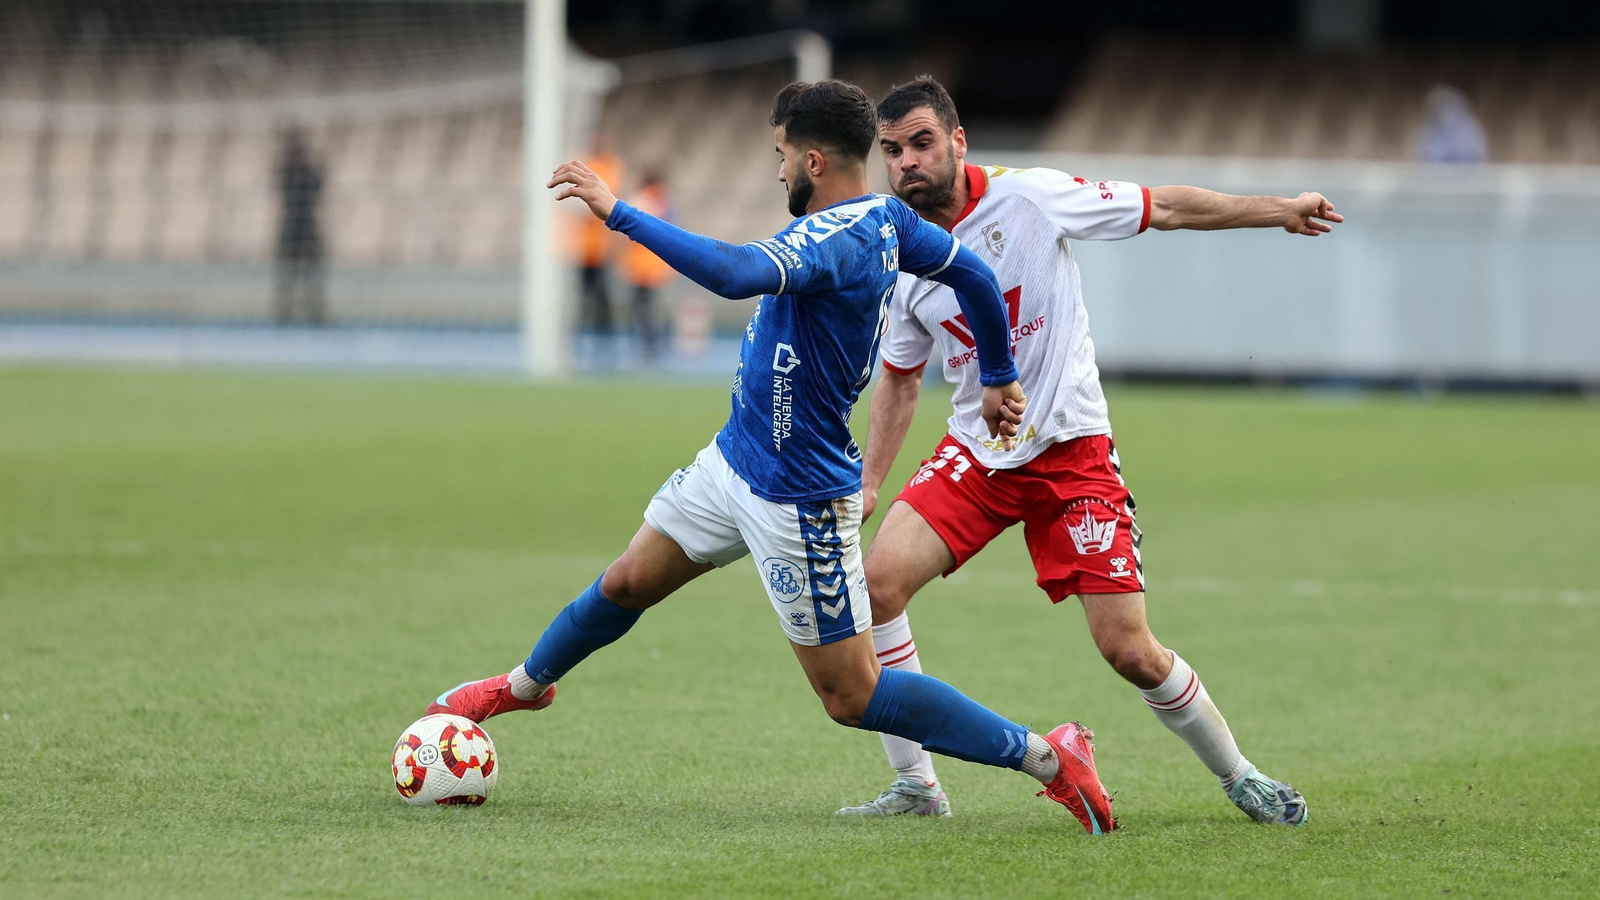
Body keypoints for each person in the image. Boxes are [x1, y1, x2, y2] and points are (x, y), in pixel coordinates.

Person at [426, 80, 1119, 834]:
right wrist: (997, 375)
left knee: (852, 694)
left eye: (781, 155)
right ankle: (526, 686)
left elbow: (729, 275)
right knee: (627, 580)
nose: (776, 170)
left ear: (814, 160)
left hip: (798, 498)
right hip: (735, 461)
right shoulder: (887, 219)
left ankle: (1047, 757)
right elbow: (974, 276)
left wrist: (618, 211)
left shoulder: (837, 238)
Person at [837, 76, 1344, 825]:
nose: (907, 162)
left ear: (957, 142)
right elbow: (901, 378)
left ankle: (1241, 776)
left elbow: (1162, 206)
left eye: (922, 143)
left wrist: (1278, 210)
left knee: (1130, 650)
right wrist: (873, 481)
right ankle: (919, 787)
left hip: (1072, 452)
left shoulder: (1031, 198)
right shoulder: (902, 259)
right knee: (875, 587)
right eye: (892, 150)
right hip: (978, 457)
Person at [567, 143, 626, 339]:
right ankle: (585, 333)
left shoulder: (608, 170)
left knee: (601, 295)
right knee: (585, 294)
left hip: (599, 249)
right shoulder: (593, 170)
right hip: (584, 250)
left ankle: (604, 335)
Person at [618, 171, 675, 361]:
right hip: (658, 265)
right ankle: (657, 344)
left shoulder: (643, 200)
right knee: (652, 308)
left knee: (642, 309)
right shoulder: (664, 200)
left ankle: (649, 345)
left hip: (641, 266)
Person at [274, 128, 326, 326]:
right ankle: (284, 315)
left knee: (309, 273)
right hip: (294, 224)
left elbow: (317, 189)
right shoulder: (288, 171)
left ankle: (314, 314)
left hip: (304, 224)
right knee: (290, 274)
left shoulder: (300, 171)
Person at [1414, 85, 1489, 164]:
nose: (1446, 114)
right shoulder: (1427, 131)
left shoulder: (1470, 128)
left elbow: (1478, 157)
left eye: (1450, 106)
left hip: (1466, 172)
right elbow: (1422, 159)